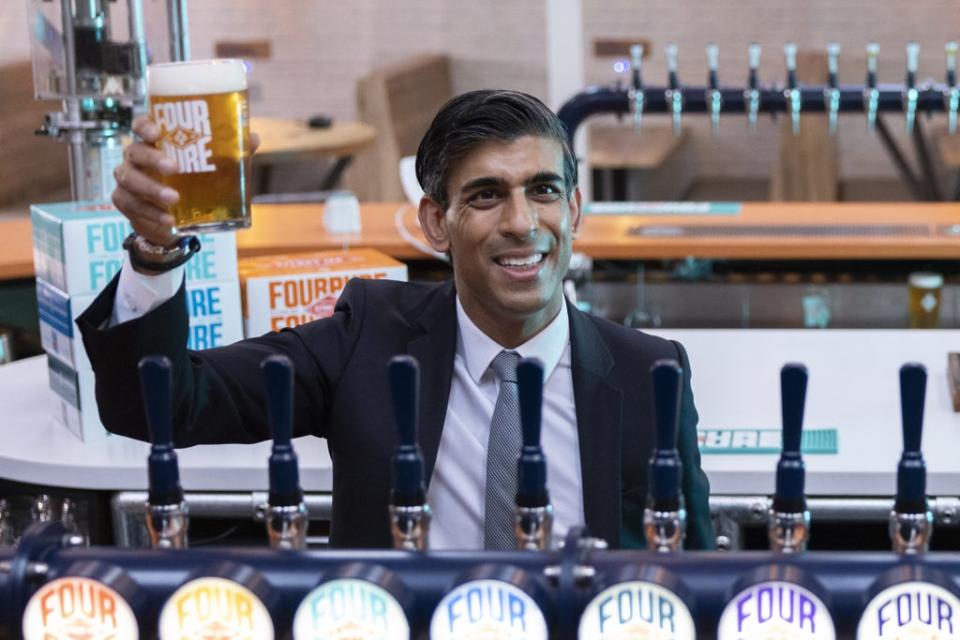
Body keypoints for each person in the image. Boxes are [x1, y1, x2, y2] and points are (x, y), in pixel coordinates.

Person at [79, 89, 714, 550]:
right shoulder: (370, 338)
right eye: (486, 194)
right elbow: (161, 405)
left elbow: (695, 571)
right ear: (435, 222)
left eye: (543, 190)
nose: (522, 222)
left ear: (574, 211)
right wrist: (156, 252)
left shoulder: (651, 372)